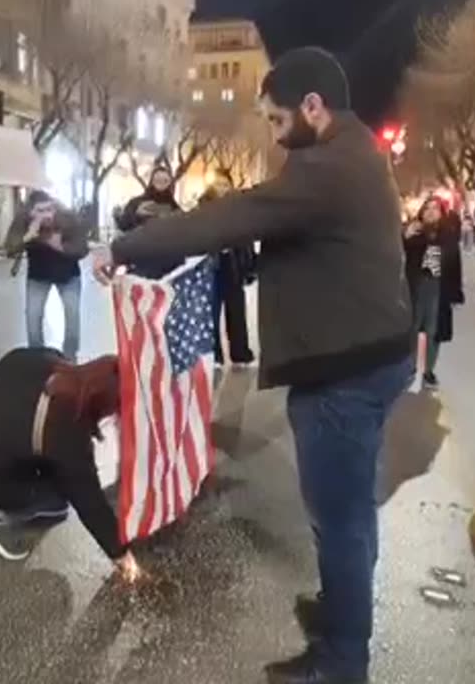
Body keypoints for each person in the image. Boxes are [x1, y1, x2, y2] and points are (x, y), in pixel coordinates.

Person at [93, 47, 413, 684]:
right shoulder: (353, 153)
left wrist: (123, 247)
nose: (271, 131)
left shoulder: (325, 169)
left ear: (312, 108)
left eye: (275, 119)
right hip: (369, 355)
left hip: (343, 372)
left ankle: (343, 660)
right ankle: (341, 611)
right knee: (350, 510)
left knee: (339, 518)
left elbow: (235, 216)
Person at [0, 348, 142, 581]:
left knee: (53, 488)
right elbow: (90, 503)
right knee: (57, 501)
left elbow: (9, 361)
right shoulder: (67, 432)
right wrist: (124, 558)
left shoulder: (42, 360)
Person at [5, 191, 89, 362]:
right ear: (31, 212)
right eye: (40, 210)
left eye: (49, 209)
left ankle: (70, 358)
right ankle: (37, 359)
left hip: (68, 275)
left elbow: (82, 249)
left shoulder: (68, 219)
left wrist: (58, 246)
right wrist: (28, 235)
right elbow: (10, 249)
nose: (46, 214)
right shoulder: (23, 221)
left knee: (72, 316)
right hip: (38, 275)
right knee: (32, 317)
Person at [403, 196, 464, 389]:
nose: (430, 212)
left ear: (441, 213)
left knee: (433, 331)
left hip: (439, 287)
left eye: (435, 208)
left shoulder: (448, 235)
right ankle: (408, 368)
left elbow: (455, 265)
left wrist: (456, 293)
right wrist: (404, 236)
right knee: (411, 328)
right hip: (415, 286)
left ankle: (428, 369)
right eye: (427, 208)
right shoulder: (412, 231)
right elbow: (397, 253)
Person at [201, 180, 257, 366]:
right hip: (212, 266)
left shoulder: (239, 209)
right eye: (219, 184)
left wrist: (249, 265)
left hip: (233, 265)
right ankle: (214, 353)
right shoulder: (204, 209)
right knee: (212, 311)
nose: (222, 188)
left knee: (237, 311)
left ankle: (240, 352)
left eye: (225, 184)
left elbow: (246, 238)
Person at [116, 166, 183, 279]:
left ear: (170, 183)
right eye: (157, 180)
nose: (161, 184)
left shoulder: (175, 208)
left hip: (168, 266)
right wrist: (136, 215)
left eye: (165, 181)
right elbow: (123, 225)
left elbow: (182, 234)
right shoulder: (136, 203)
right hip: (140, 261)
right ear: (151, 181)